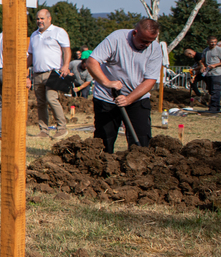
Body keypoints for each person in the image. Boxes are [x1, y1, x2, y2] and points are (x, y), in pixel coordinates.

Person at [85, 19, 163, 152]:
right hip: (107, 97)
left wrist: (129, 99)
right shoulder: (117, 38)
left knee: (141, 138)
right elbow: (92, 62)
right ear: (135, 32)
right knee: (104, 140)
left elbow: (150, 80)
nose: (146, 45)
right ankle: (103, 167)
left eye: (150, 41)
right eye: (144, 40)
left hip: (137, 98)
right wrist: (107, 83)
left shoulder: (155, 49)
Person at [27, 8, 72, 136]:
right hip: (37, 73)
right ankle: (43, 130)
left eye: (42, 18)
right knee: (40, 102)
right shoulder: (34, 35)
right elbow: (30, 55)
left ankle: (61, 128)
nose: (39, 21)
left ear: (49, 18)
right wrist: (24, 71)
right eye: (37, 19)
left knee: (51, 98)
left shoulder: (58, 32)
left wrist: (66, 65)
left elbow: (66, 50)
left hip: (52, 72)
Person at [204, 36, 221, 114]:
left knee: (215, 91)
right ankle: (216, 107)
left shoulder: (218, 50)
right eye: (211, 42)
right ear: (208, 42)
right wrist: (202, 66)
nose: (213, 43)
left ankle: (213, 108)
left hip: (217, 73)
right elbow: (202, 61)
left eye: (215, 41)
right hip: (208, 74)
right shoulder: (206, 50)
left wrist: (215, 65)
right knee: (211, 91)